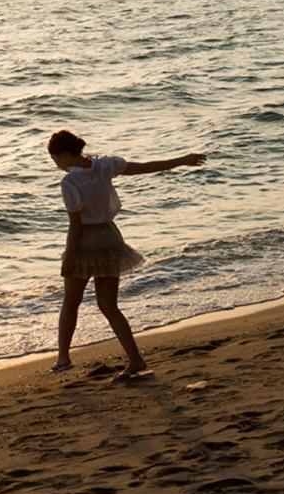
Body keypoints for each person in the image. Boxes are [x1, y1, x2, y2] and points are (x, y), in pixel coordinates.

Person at [47, 129, 205, 383]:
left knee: (70, 301)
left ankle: (63, 358)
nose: (56, 165)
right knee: (109, 306)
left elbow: (74, 225)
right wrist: (181, 160)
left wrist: (68, 257)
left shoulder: (70, 183)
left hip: (87, 242)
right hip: (110, 238)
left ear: (64, 154)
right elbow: (142, 167)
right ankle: (135, 359)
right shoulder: (103, 166)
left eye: (54, 159)